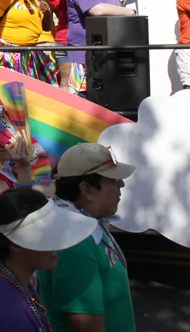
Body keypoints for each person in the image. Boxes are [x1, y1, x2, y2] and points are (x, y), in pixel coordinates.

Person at [0, 188, 99, 332]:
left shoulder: (0, 275)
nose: (57, 242)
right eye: (46, 234)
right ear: (16, 243)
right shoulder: (11, 316)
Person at [38, 142, 136, 332]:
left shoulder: (88, 225)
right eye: (113, 179)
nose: (121, 184)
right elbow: (84, 325)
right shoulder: (75, 244)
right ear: (86, 189)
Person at [65, 0, 134, 94]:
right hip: (86, 57)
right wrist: (130, 12)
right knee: (84, 100)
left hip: (105, 54)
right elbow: (97, 10)